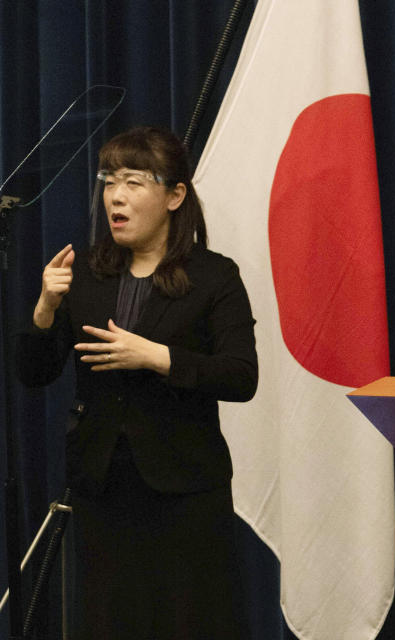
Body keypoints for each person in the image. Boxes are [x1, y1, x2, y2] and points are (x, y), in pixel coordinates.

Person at [16, 126, 257, 638]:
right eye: (108, 181)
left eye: (133, 181)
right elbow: (33, 373)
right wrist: (44, 308)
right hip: (102, 484)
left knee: (191, 622)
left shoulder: (215, 276)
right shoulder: (83, 273)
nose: (116, 196)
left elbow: (241, 376)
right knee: (109, 622)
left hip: (186, 487)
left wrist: (158, 357)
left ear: (174, 195)